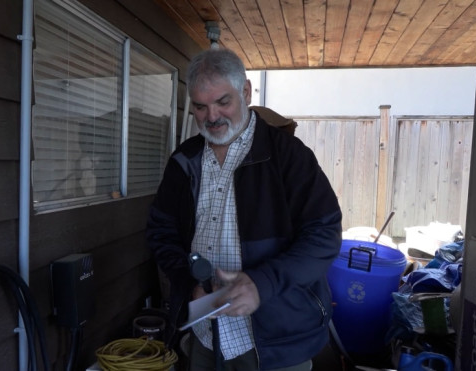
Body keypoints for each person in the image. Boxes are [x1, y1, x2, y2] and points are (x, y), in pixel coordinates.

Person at [146, 48, 342, 371]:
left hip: (276, 344)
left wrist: (261, 284)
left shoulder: (288, 157)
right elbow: (160, 232)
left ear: (246, 92)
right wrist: (185, 279)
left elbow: (325, 237)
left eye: (223, 102)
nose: (212, 116)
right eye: (200, 106)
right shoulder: (183, 161)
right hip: (204, 337)